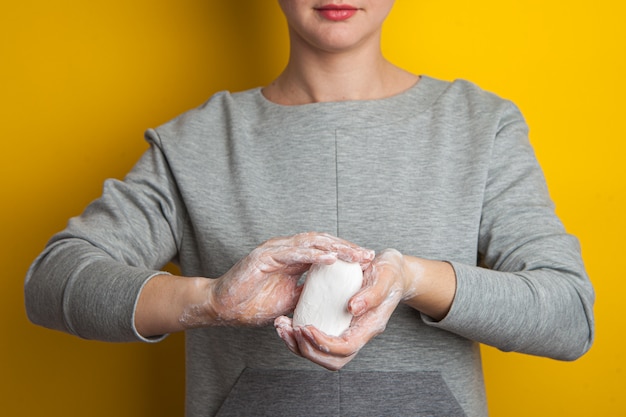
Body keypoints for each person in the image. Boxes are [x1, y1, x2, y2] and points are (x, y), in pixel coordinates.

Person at [25, 1, 595, 416]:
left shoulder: (480, 126)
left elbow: (570, 315)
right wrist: (210, 301)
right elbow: (52, 282)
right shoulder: (196, 143)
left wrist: (413, 278)